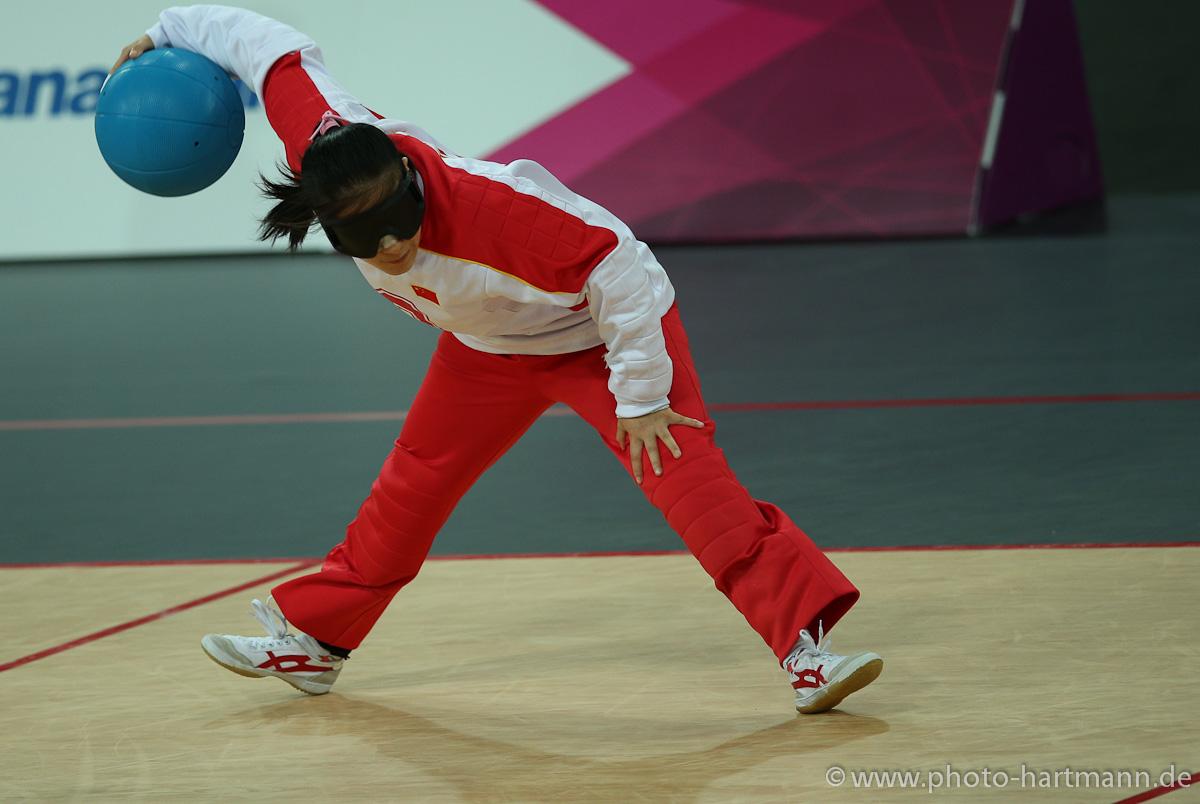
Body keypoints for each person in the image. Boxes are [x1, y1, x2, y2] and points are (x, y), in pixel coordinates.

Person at [111, 5, 883, 714]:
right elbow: (269, 50)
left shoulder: (492, 214)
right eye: (368, 242)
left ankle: (806, 651)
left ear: (411, 187)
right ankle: (314, 643)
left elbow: (613, 263)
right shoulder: (325, 146)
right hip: (490, 347)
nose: (391, 249)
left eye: (399, 227)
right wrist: (165, 31)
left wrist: (642, 396)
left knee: (685, 477)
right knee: (412, 483)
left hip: (603, 329)